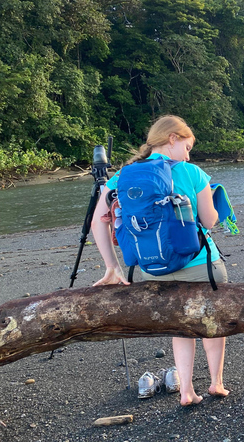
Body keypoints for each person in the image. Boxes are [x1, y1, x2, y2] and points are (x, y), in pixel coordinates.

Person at [91, 115, 229, 406]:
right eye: (188, 146)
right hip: (201, 266)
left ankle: (187, 390)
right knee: (212, 321)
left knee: (181, 327)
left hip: (153, 270)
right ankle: (216, 383)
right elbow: (209, 221)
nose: (189, 154)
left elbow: (97, 222)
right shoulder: (191, 172)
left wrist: (112, 266)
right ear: (173, 139)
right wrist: (217, 204)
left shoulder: (123, 176)